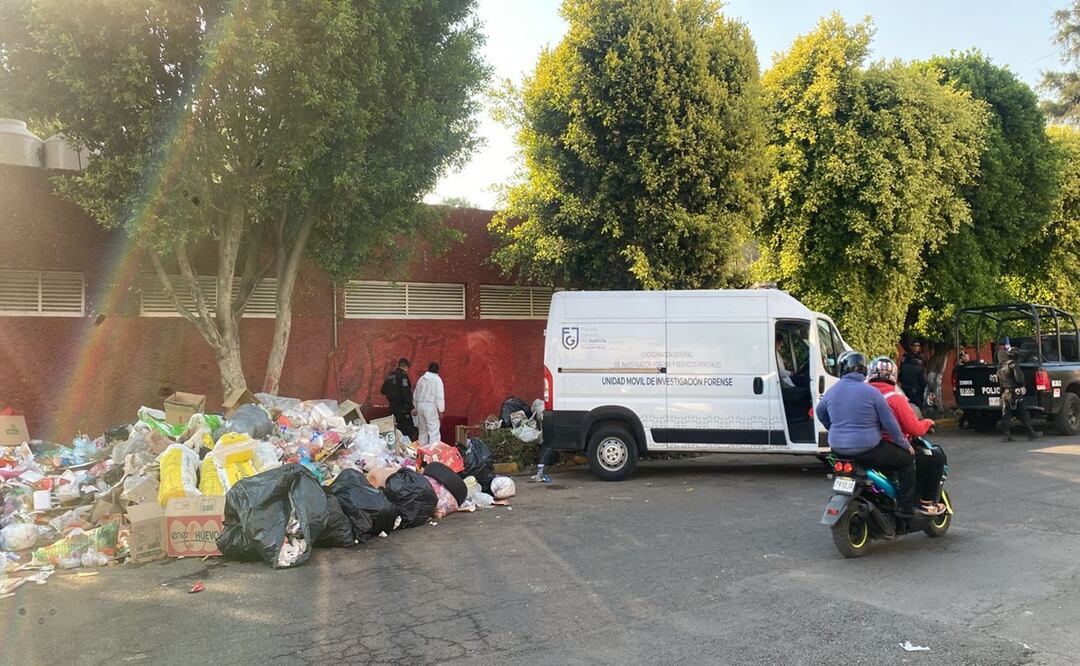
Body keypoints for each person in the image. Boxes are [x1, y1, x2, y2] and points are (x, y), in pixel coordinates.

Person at [815, 351, 919, 517]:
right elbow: (890, 424)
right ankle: (906, 508)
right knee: (906, 461)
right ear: (864, 371)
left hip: (838, 450)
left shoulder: (832, 391)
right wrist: (905, 444)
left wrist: (833, 427)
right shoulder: (872, 393)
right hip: (868, 449)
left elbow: (819, 412)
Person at [867, 356, 946, 516]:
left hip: (864, 447)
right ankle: (923, 503)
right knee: (934, 456)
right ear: (893, 375)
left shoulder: (863, 395)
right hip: (890, 447)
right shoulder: (895, 398)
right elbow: (914, 428)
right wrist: (928, 423)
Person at [998, 346, 1042, 441]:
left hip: (1005, 393)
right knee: (1024, 413)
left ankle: (1006, 434)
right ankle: (1031, 433)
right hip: (1015, 393)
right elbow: (1020, 380)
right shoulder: (1014, 365)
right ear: (1016, 356)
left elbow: (1000, 381)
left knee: (1006, 413)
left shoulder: (1001, 366)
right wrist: (1022, 385)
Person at [380, 357, 415, 439]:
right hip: (402, 409)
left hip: (392, 407)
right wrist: (412, 407)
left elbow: (383, 390)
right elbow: (406, 393)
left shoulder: (391, 375)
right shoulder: (403, 376)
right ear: (406, 366)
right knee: (407, 430)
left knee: (395, 429)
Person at [413, 361, 445, 445]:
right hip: (430, 406)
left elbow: (415, 394)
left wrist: (415, 407)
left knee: (422, 431)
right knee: (433, 431)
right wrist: (441, 410)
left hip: (420, 406)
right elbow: (439, 396)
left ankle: (422, 453)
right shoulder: (437, 380)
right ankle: (432, 453)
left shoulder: (421, 379)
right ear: (437, 370)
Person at [899, 341, 927, 409]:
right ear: (912, 346)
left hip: (918, 382)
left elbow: (924, 367)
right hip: (908, 382)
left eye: (918, 346)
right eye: (914, 346)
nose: (916, 347)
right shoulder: (907, 355)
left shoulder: (921, 356)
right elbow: (902, 368)